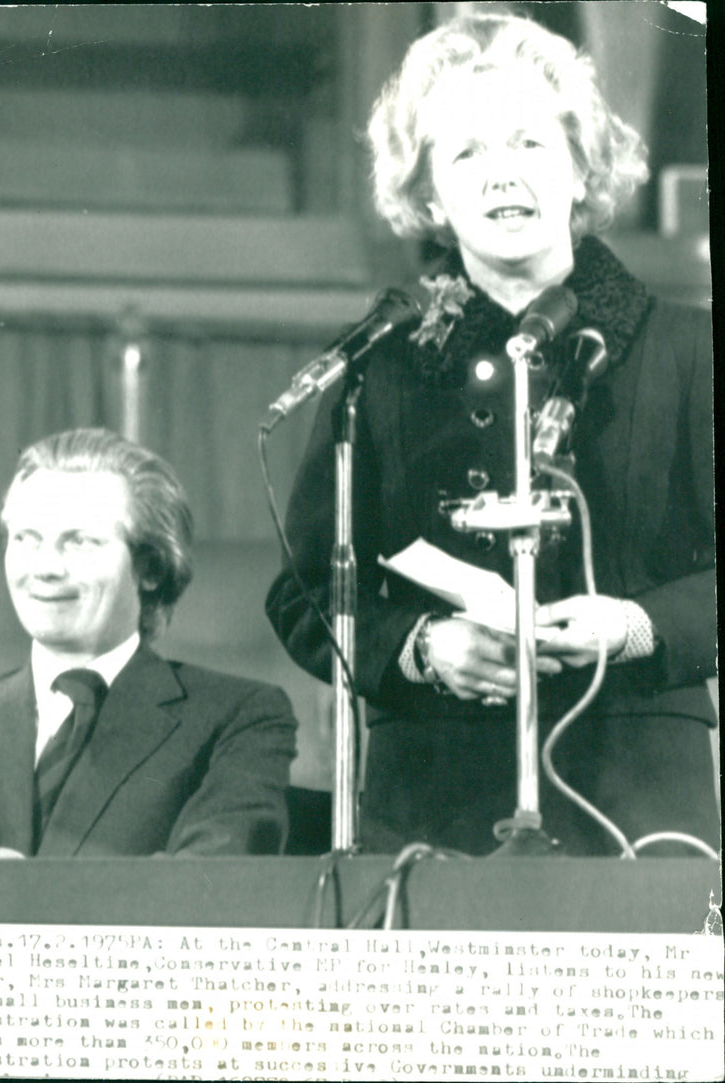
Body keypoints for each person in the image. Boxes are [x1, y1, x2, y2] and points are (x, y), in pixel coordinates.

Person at [265, 11, 718, 856]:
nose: (502, 174)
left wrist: (633, 626)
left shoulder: (693, 351)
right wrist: (422, 648)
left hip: (639, 794)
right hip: (431, 803)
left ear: (582, 169)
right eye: (467, 153)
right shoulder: (378, 364)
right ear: (430, 194)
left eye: (530, 145)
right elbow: (303, 596)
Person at [0, 428, 297, 857]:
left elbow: (207, 895)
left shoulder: (240, 718)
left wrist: (8, 890)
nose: (46, 567)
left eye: (81, 542)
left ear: (151, 568)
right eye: (26, 539)